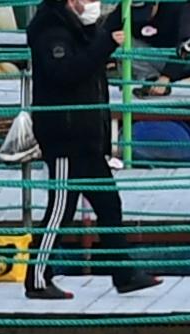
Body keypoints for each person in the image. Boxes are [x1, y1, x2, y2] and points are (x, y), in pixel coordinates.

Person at [25, 0, 147, 294]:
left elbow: (89, 56)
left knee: (108, 204)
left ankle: (124, 274)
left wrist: (106, 26)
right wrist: (104, 42)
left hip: (86, 137)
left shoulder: (77, 27)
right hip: (65, 136)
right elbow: (66, 72)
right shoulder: (50, 28)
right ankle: (37, 278)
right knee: (60, 210)